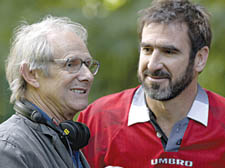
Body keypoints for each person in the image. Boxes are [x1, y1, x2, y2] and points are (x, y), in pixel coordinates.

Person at [77, 0, 225, 167]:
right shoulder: (99, 119)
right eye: (147, 50)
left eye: (169, 52)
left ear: (200, 58)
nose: (153, 65)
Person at [0, 15, 100, 168]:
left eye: (87, 64)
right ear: (31, 74)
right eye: (71, 64)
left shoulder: (67, 138)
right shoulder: (8, 148)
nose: (87, 76)